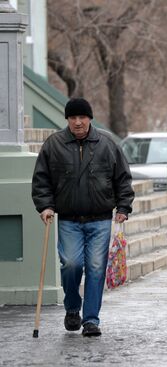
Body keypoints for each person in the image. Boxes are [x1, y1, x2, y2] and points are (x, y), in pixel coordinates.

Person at [31, 98, 134, 337]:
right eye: (73, 118)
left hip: (100, 219)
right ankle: (72, 308)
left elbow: (122, 178)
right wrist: (45, 206)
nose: (78, 122)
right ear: (67, 119)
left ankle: (91, 320)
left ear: (90, 118)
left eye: (82, 117)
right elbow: (42, 179)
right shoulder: (54, 144)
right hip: (68, 220)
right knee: (71, 265)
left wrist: (123, 207)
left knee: (96, 268)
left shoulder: (106, 143)